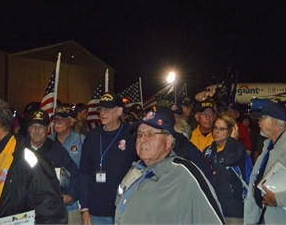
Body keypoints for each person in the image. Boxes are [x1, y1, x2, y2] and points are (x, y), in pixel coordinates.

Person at [114, 109, 225, 224]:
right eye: (139, 134)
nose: (142, 139)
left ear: (168, 141)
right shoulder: (135, 171)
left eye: (150, 134)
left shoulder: (185, 174)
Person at [79, 92, 137, 224]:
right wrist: (84, 208)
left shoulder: (131, 135)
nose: (103, 113)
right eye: (101, 109)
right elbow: (83, 173)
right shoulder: (92, 137)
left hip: (125, 209)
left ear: (119, 111)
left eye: (108, 109)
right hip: (96, 211)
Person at [25, 109, 81, 225]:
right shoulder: (19, 150)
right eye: (33, 126)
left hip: (52, 214)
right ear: (28, 128)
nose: (36, 131)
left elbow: (75, 174)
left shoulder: (57, 151)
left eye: (40, 127)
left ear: (47, 129)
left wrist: (71, 196)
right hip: (26, 213)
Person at [204, 113, 246, 223]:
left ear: (231, 131)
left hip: (233, 209)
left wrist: (232, 140)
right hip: (213, 206)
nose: (216, 132)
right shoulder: (208, 151)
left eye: (222, 129)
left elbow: (229, 160)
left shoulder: (239, 149)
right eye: (215, 128)